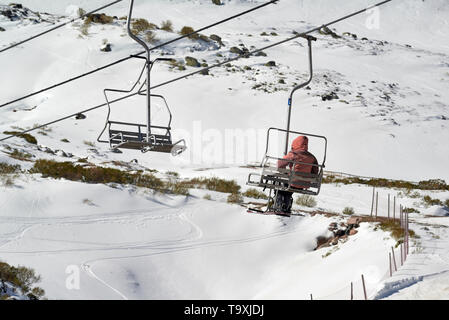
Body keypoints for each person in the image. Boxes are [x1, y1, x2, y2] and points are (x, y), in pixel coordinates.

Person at [273, 135, 318, 214]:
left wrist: (286, 170)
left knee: (279, 186)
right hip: (303, 185)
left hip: (292, 182)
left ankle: (279, 206)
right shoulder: (312, 157)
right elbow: (315, 172)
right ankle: (286, 207)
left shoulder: (294, 154)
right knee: (288, 189)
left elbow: (279, 165)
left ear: (295, 144)